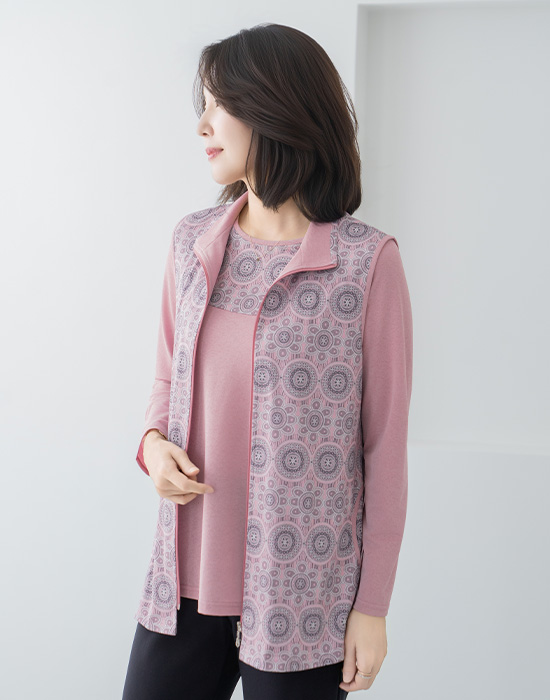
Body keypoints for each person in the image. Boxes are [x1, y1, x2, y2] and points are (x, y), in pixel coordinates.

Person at [122, 22, 413, 700]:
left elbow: (385, 449)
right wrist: (153, 446)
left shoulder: (367, 263)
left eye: (220, 105)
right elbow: (168, 377)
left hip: (305, 594)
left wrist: (372, 608)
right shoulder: (193, 242)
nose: (203, 125)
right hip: (186, 577)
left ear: (275, 109)